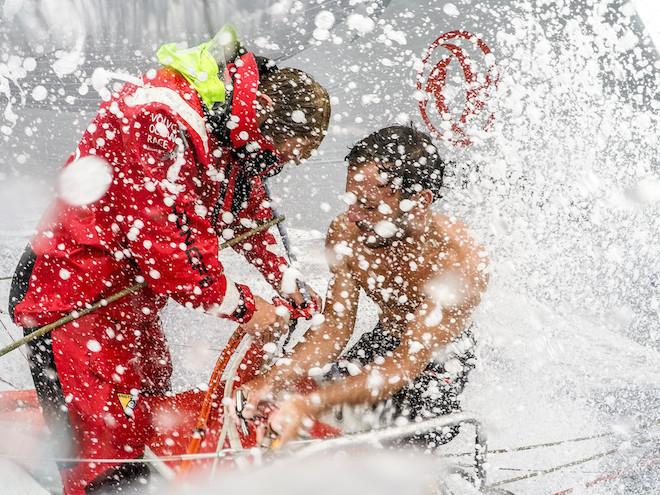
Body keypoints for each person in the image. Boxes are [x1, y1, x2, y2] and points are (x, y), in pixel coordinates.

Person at [8, 25, 330, 494]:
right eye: (285, 155)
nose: (283, 166)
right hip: (72, 295)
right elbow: (170, 257)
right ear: (264, 126)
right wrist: (245, 307)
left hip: (128, 300)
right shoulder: (163, 118)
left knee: (143, 419)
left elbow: (246, 206)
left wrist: (287, 278)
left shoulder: (235, 130)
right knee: (102, 459)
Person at [241, 125, 488, 447]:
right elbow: (334, 329)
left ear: (419, 201)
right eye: (351, 201)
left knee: (395, 431)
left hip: (441, 354)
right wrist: (272, 380)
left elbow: (406, 363)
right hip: (385, 339)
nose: (353, 216)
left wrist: (309, 404)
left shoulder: (459, 259)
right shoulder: (346, 232)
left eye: (368, 206)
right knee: (319, 416)